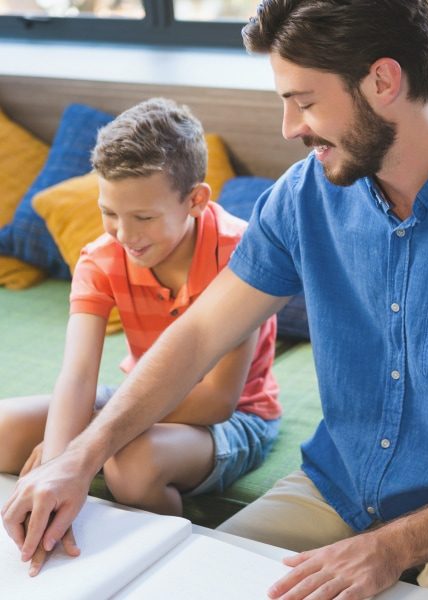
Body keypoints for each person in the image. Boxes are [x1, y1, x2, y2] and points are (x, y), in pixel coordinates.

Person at [2, 1, 428, 598]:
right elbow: (198, 336)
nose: (289, 127)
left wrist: (391, 547)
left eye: (304, 100)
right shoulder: (302, 196)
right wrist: (81, 456)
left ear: (382, 81)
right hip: (338, 489)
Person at [0, 98, 280, 575]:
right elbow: (79, 373)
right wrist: (56, 463)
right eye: (110, 213)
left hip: (233, 418)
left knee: (131, 467)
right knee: (6, 427)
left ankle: (163, 571)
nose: (124, 235)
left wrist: (85, 443)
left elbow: (217, 401)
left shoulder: (240, 253)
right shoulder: (101, 257)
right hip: (134, 398)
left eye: (144, 218)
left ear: (195, 199)